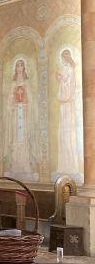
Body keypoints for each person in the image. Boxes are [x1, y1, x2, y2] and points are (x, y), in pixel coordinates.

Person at [56, 49, 80, 177]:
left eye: (63, 59)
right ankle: (64, 165)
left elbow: (69, 90)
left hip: (68, 106)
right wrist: (61, 80)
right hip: (64, 106)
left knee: (68, 135)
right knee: (63, 135)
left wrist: (61, 80)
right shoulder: (67, 71)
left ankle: (71, 166)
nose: (62, 61)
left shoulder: (71, 71)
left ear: (66, 59)